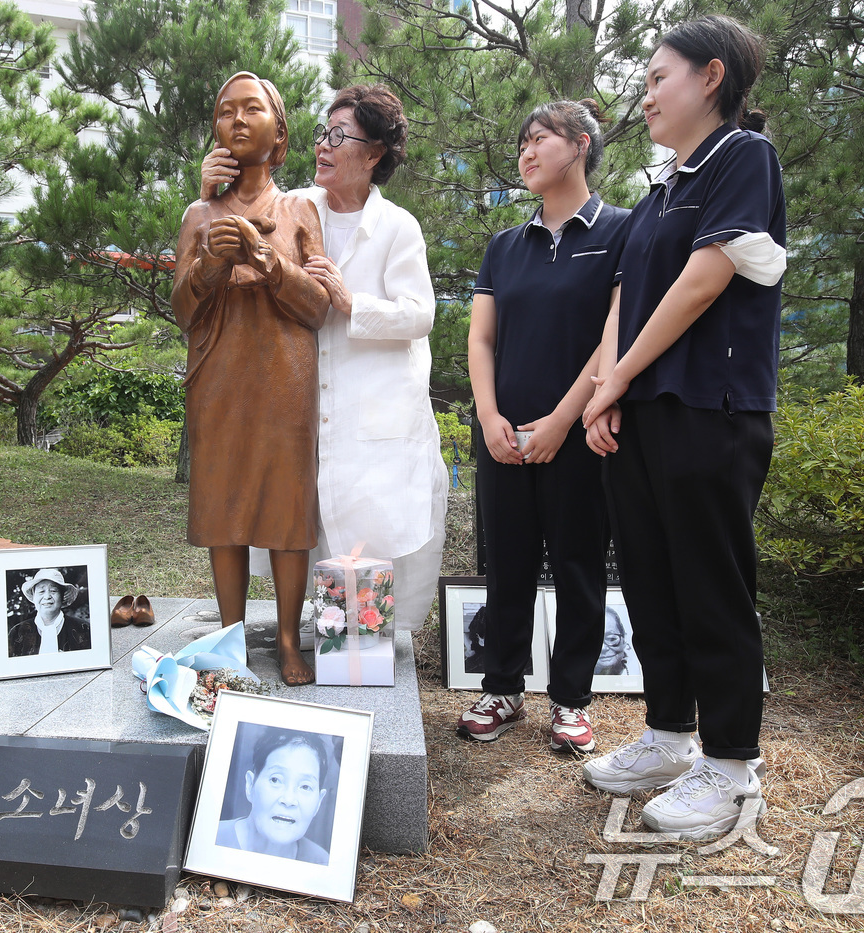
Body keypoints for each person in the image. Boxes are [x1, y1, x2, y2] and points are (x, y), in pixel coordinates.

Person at [580, 14, 786, 840]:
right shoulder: (659, 187)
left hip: (713, 406)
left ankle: (733, 766)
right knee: (653, 579)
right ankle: (668, 737)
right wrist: (607, 391)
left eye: (659, 75)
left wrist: (618, 378)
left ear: (709, 77)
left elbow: (705, 280)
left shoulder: (742, 159)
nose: (647, 92)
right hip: (647, 411)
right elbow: (627, 300)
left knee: (712, 582)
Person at [202, 84, 448, 636]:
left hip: (373, 407)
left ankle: (365, 650)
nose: (325, 146)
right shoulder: (295, 208)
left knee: (370, 533)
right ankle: (325, 637)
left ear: (375, 152)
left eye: (341, 136)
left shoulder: (397, 227)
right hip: (301, 407)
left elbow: (418, 315)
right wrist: (210, 190)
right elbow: (234, 231)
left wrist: (351, 302)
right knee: (302, 526)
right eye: (322, 134)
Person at [456, 100, 632, 752]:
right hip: (503, 436)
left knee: (579, 566)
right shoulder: (505, 246)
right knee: (506, 565)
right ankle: (501, 687)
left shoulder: (621, 231)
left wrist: (562, 419)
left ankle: (571, 700)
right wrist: (489, 415)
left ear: (581, 144)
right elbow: (481, 340)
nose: (526, 152)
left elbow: (617, 335)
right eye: (522, 143)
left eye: (540, 140)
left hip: (580, 435)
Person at [172, 72, 331, 686]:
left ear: (279, 130)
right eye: (224, 111)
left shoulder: (299, 210)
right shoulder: (198, 213)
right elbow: (184, 312)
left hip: (285, 373)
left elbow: (317, 307)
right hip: (220, 374)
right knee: (227, 505)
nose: (236, 121)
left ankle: (290, 639)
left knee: (288, 511)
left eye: (251, 110)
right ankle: (229, 636)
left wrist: (266, 261)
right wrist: (211, 262)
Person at [216, 728, 332, 864]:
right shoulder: (209, 838)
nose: (288, 800)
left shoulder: (322, 863)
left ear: (319, 802)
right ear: (250, 785)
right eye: (275, 780)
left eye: (305, 787)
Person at [7, 568, 91, 656]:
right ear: (34, 596)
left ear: (62, 596)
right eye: (41, 591)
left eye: (53, 591)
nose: (47, 596)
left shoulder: (83, 629)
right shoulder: (17, 633)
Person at [595, 607, 639, 676]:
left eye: (611, 639)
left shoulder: (635, 673)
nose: (603, 648)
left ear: (625, 639)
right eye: (595, 640)